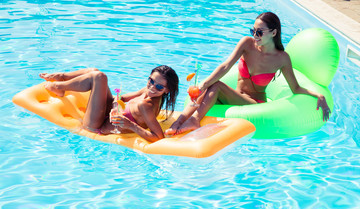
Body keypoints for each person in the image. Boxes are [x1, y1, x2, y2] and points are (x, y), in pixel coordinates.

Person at [165, 11, 330, 135]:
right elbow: (226, 65)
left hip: (254, 103)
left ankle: (193, 121)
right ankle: (179, 121)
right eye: (253, 31)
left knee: (216, 86)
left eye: (260, 32)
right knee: (208, 88)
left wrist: (318, 95)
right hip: (235, 95)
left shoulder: (282, 59)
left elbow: (295, 88)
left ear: (274, 33)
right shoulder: (247, 44)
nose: (255, 35)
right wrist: (202, 84)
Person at [40, 65, 179, 142]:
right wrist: (114, 105)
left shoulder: (146, 105)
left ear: (167, 90)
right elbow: (122, 98)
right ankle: (62, 76)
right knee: (95, 72)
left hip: (97, 126)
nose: (152, 87)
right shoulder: (147, 91)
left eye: (159, 87)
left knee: (98, 77)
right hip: (109, 114)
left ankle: (58, 87)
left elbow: (158, 136)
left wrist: (131, 125)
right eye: (151, 80)